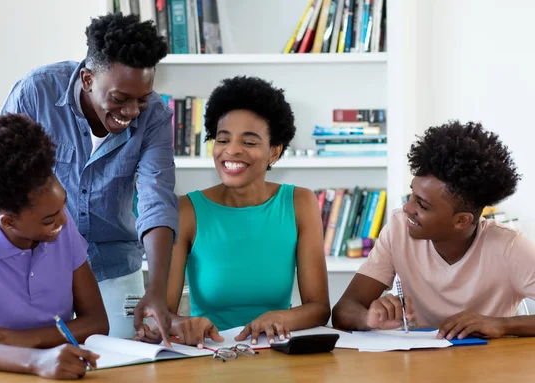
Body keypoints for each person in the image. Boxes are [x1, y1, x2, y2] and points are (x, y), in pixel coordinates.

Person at [0, 13, 178, 341]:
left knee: (123, 371)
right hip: (36, 265)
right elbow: (0, 182)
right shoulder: (35, 94)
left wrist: (156, 290)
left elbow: (157, 197)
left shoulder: (155, 117)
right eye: (120, 99)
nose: (132, 112)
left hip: (115, 267)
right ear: (87, 79)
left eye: (142, 99)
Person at [141, 76, 331, 347]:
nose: (232, 151)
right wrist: (186, 324)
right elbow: (165, 313)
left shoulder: (300, 202)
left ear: (274, 152)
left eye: (250, 142)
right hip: (210, 355)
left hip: (273, 354)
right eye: (223, 139)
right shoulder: (187, 210)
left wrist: (280, 317)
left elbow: (319, 308)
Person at [0, 114, 108, 379]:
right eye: (49, 219)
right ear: (9, 221)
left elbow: (97, 322)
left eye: (62, 208)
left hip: (59, 375)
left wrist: (30, 340)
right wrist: (36, 360)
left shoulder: (61, 231)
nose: (62, 221)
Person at [331, 120, 535, 340]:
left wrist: (502, 325)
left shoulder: (509, 247)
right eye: (411, 196)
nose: (407, 208)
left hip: (490, 366)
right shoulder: (399, 230)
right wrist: (367, 318)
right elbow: (343, 309)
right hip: (422, 364)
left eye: (422, 205)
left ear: (462, 221)